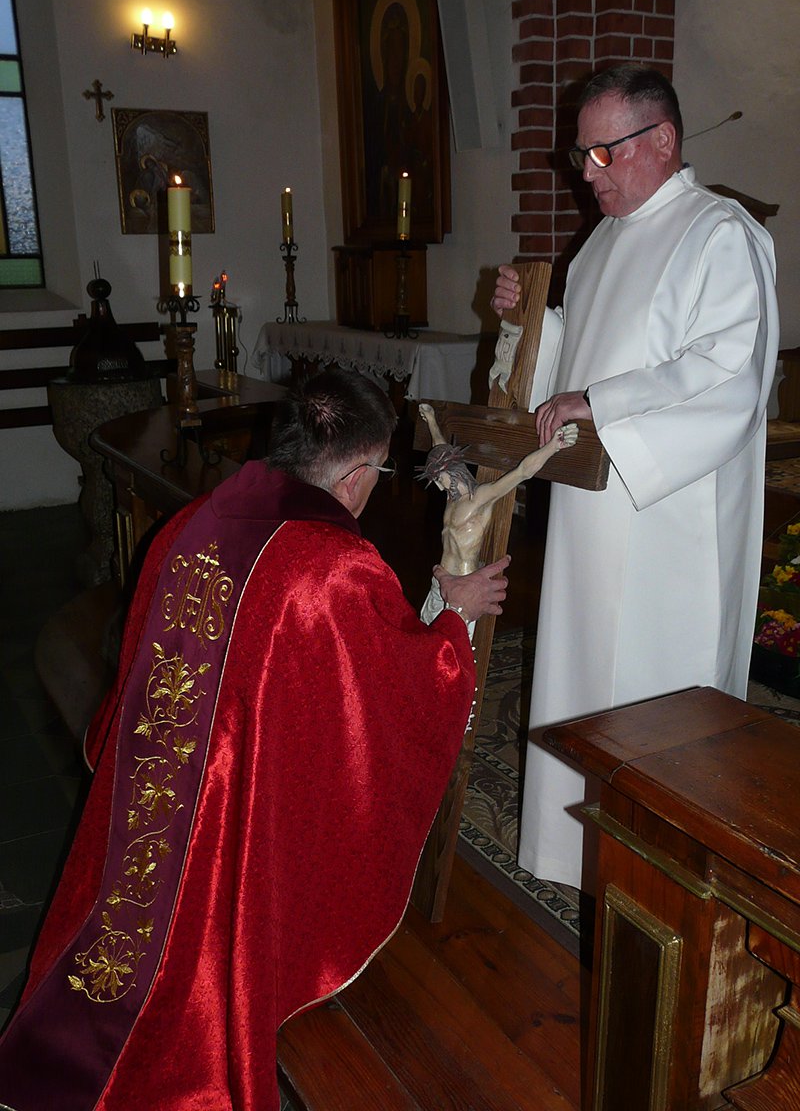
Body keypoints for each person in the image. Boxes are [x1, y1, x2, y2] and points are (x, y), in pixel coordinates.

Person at [0, 370, 509, 1111]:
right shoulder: (330, 568)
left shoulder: (192, 520)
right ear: (359, 475)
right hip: (221, 813)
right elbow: (399, 691)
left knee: (126, 925)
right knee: (194, 971)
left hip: (155, 783)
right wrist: (452, 616)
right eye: (381, 471)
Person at [492, 63, 780, 891]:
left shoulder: (720, 233)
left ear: (662, 140)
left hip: (669, 517)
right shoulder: (598, 246)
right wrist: (527, 318)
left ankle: (659, 877)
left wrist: (603, 403)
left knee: (661, 694)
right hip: (592, 511)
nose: (588, 173)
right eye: (581, 154)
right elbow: (566, 374)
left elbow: (731, 370)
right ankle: (575, 852)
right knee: (582, 674)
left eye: (603, 152)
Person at [416, 401, 578, 634]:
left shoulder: (480, 498)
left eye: (440, 479)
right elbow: (441, 448)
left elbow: (522, 472)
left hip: (464, 587)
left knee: (452, 646)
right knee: (425, 635)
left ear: (451, 470)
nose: (440, 487)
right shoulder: (452, 498)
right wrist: (432, 420)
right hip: (440, 583)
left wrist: (554, 445)